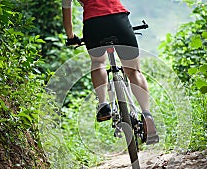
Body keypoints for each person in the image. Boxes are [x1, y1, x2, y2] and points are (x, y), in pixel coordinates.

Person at [61, 0, 159, 144]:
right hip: (118, 19)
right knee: (134, 72)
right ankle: (147, 115)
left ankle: (103, 105)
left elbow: (66, 15)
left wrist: (71, 37)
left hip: (93, 24)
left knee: (98, 62)